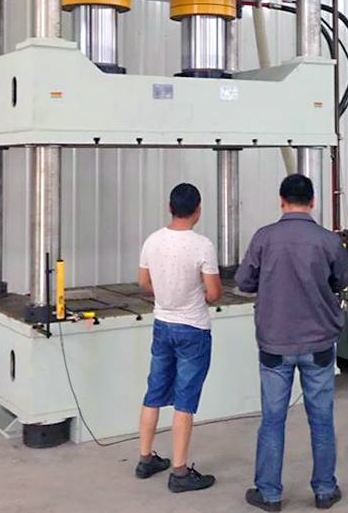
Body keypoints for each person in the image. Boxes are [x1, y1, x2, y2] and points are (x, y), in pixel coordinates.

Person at [235, 174, 348, 511]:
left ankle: (269, 494)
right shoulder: (327, 240)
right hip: (319, 343)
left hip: (275, 342)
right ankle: (325, 490)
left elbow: (244, 281)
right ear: (313, 202)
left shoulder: (264, 237)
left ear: (281, 200)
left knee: (273, 420)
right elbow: (344, 278)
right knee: (322, 418)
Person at [135, 182, 222, 493]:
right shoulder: (202, 246)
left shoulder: (152, 240)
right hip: (193, 329)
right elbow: (214, 293)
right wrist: (194, 297)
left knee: (154, 392)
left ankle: (145, 459)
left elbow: (143, 281)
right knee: (184, 401)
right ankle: (180, 472)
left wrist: (166, 295)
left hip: (162, 325)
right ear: (198, 210)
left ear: (169, 208)